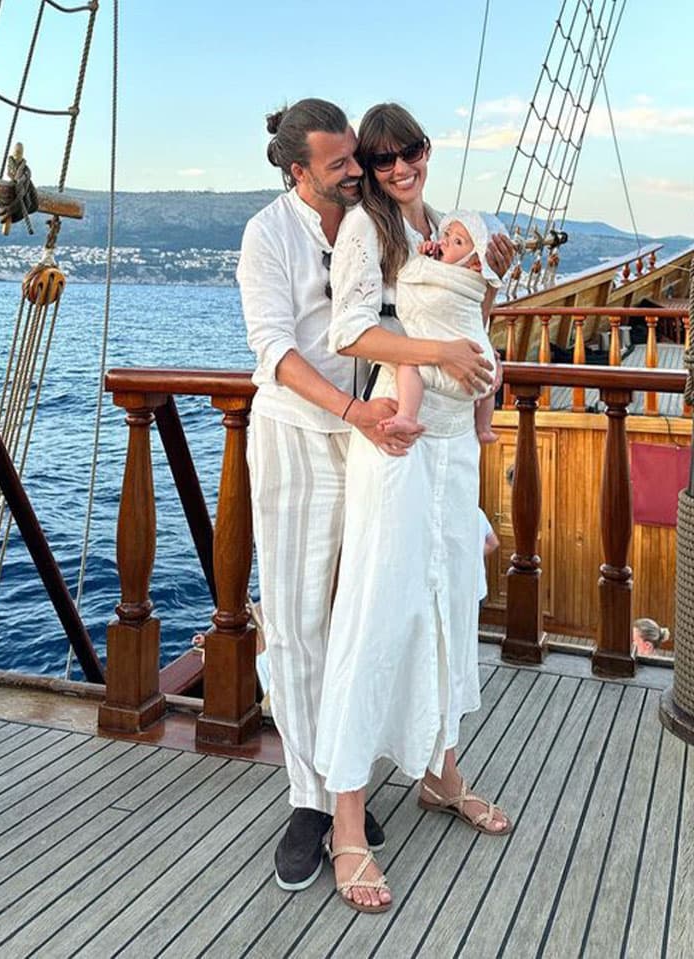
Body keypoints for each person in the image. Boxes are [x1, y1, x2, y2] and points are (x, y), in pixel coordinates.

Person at [236, 98, 493, 894]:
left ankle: (427, 767)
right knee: (308, 620)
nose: (367, 170)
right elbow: (290, 346)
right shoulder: (287, 234)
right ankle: (318, 804)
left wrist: (482, 281)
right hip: (310, 432)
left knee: (420, 602)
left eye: (377, 154)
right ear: (298, 170)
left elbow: (444, 309)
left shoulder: (427, 226)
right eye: (352, 161)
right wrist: (376, 396)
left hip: (393, 436)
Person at [314, 103, 514, 913]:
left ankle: (441, 772)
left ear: (428, 152)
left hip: (451, 444)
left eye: (412, 154)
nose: (400, 170)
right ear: (369, 162)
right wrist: (437, 353)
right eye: (383, 159)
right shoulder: (368, 228)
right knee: (377, 614)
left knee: (445, 609)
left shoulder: (443, 224)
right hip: (397, 446)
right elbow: (349, 331)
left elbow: (468, 317)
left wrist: (492, 285)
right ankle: (348, 822)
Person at [379, 210, 504, 445]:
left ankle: (407, 414)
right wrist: (431, 255)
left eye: (457, 242)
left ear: (476, 264)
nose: (444, 241)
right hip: (480, 370)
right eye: (446, 235)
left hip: (447, 369)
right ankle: (484, 426)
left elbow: (420, 278)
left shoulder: (464, 279)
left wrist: (423, 262)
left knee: (407, 365)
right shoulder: (457, 269)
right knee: (487, 384)